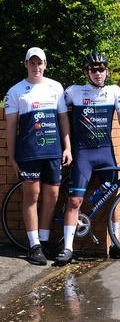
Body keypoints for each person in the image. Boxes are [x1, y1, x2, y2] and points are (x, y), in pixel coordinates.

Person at [55, 51, 120, 265]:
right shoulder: (73, 91)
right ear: (86, 72)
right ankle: (67, 249)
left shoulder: (114, 91)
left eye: (101, 69)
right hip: (83, 153)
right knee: (74, 201)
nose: (98, 73)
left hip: (105, 152)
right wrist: (66, 146)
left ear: (107, 71)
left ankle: (116, 243)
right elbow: (61, 116)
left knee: (113, 196)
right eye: (93, 69)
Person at [4, 47, 72, 265]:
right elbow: (11, 126)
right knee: (31, 196)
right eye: (32, 63)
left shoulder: (56, 87)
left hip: (53, 152)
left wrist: (67, 147)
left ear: (45, 64)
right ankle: (33, 246)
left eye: (39, 63)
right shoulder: (16, 91)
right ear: (26, 65)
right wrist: (12, 157)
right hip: (29, 153)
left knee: (52, 196)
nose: (36, 67)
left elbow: (63, 119)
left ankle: (43, 241)